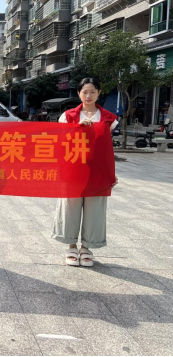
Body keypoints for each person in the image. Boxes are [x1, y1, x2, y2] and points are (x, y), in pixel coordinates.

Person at [53, 78, 119, 267]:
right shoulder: (67, 117)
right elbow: (60, 143)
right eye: (84, 92)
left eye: (92, 92)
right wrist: (76, 128)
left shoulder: (109, 119)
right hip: (72, 170)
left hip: (97, 172)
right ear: (79, 93)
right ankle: (71, 246)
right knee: (70, 208)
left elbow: (107, 150)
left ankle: (87, 248)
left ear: (99, 93)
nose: (88, 95)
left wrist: (111, 174)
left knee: (94, 210)